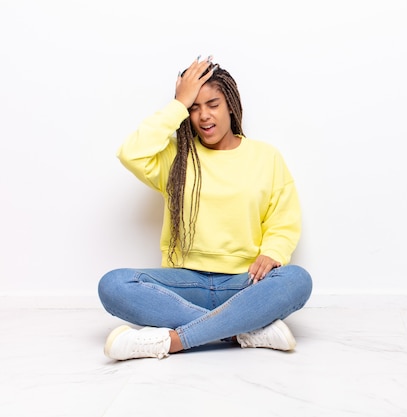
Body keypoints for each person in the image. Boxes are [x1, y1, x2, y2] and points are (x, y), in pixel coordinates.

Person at [98, 55, 313, 361]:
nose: (203, 116)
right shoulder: (175, 158)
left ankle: (175, 341)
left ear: (230, 105)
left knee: (297, 280)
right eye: (193, 108)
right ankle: (242, 329)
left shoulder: (266, 157)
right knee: (114, 284)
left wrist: (273, 253)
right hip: (184, 284)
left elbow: (283, 219)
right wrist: (177, 104)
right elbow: (130, 153)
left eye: (212, 104)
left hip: (244, 283)